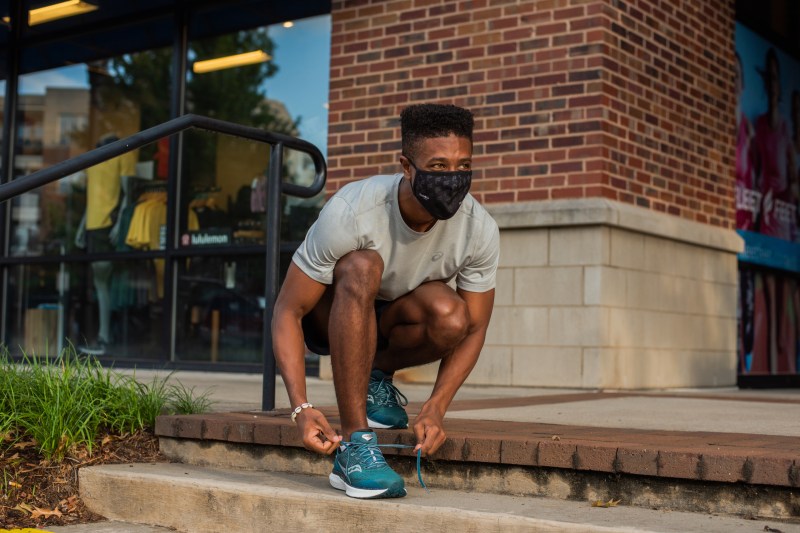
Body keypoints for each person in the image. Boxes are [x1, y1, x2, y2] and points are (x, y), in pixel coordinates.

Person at [272, 103, 499, 499]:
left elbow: (475, 327)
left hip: (391, 316)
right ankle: (355, 448)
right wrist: (300, 407)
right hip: (330, 316)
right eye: (439, 166)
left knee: (451, 315)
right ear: (407, 166)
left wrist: (436, 406)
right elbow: (288, 310)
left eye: (464, 166)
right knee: (362, 265)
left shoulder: (478, 229)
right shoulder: (354, 210)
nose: (454, 178)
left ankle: (375, 376)